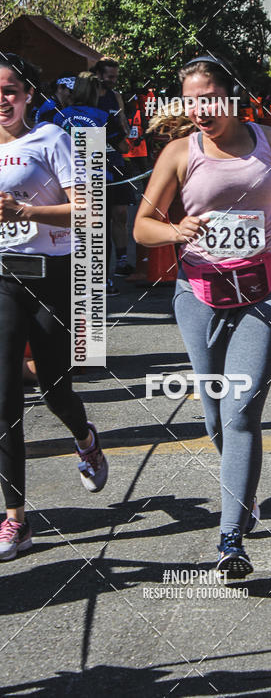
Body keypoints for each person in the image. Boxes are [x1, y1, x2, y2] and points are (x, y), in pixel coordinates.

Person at [134, 56, 271, 578]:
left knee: (241, 411)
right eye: (190, 100)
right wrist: (176, 232)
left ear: (230, 97)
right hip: (199, 297)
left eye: (209, 97)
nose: (200, 109)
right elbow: (142, 226)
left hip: (264, 292)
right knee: (213, 416)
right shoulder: (179, 154)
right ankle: (244, 491)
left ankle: (231, 539)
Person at [0, 53, 108, 561]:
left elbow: (87, 209)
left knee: (54, 388)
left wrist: (25, 211)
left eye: (10, 90)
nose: (2, 100)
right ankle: (16, 519)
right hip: (1, 278)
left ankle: (84, 436)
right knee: (3, 400)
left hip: (52, 275)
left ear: (27, 95)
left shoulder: (52, 139)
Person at [53, 72, 129, 296]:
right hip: (96, 179)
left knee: (71, 230)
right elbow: (123, 147)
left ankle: (71, 279)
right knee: (98, 232)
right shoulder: (102, 115)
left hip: (65, 180)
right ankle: (101, 281)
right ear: (94, 92)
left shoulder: (58, 116)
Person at [93, 59, 135, 279]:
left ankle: (122, 261)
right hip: (93, 162)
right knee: (99, 218)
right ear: (98, 74)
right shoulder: (88, 95)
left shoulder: (115, 95)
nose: (112, 80)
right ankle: (99, 272)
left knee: (120, 213)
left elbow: (124, 124)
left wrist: (122, 129)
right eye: (109, 76)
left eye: (115, 77)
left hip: (116, 159)